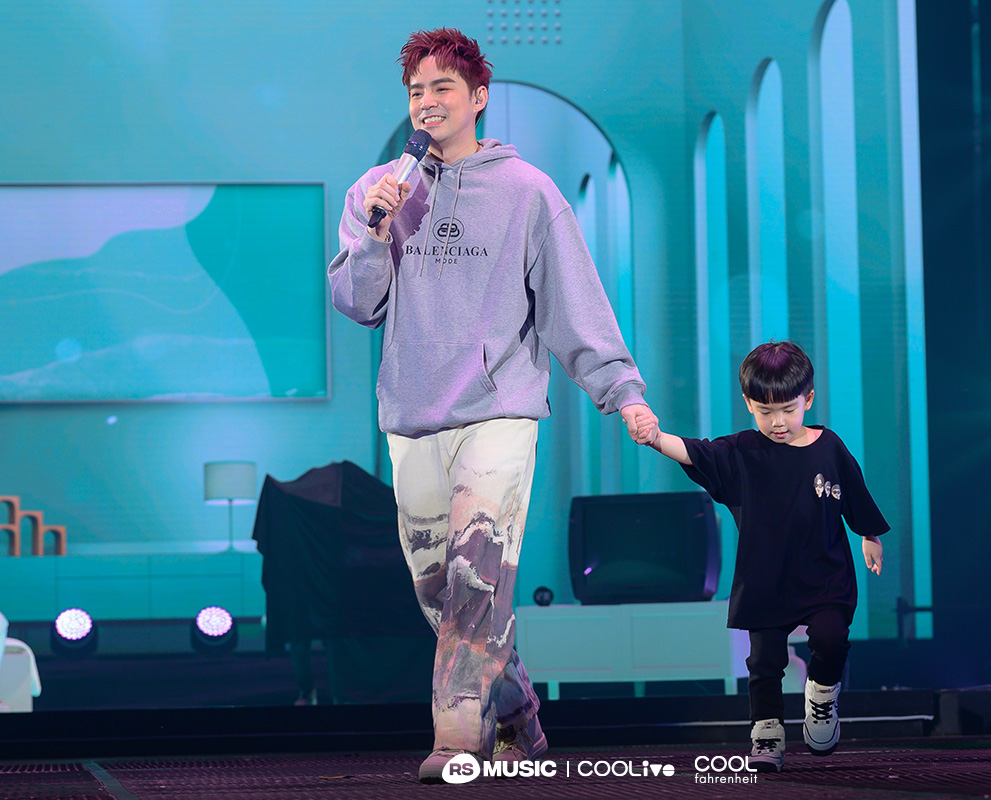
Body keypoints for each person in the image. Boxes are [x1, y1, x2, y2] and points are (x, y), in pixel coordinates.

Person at [328, 28, 657, 784]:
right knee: (436, 589)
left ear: (478, 97)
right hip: (413, 413)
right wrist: (376, 233)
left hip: (499, 410)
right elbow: (356, 303)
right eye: (416, 90)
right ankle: (516, 712)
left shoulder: (528, 192)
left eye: (442, 87)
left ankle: (456, 740)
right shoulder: (378, 190)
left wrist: (621, 391)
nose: (427, 102)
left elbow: (574, 304)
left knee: (476, 576)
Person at [635, 341, 887, 771]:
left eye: (788, 409)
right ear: (749, 404)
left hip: (825, 573)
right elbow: (696, 452)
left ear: (808, 399)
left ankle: (822, 697)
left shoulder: (830, 447)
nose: (778, 422)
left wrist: (869, 534)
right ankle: (767, 732)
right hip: (766, 576)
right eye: (766, 411)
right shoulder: (743, 452)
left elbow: (854, 492)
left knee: (831, 637)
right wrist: (656, 438)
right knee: (765, 661)